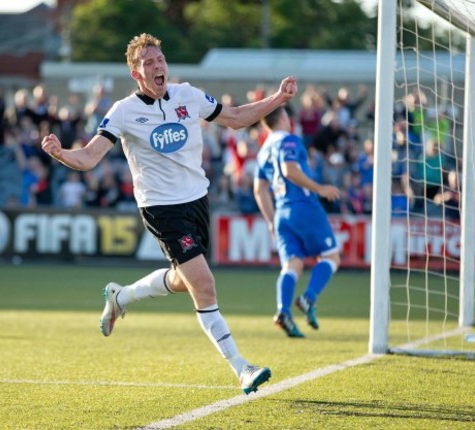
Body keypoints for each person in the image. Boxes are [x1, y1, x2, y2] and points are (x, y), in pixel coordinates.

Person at [41, 33, 298, 395]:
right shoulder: (124, 111)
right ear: (136, 74)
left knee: (184, 280)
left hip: (198, 200)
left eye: (160, 59)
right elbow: (88, 157)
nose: (158, 66)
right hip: (161, 207)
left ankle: (121, 297)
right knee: (204, 286)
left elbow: (238, 118)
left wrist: (279, 98)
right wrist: (60, 153)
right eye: (149, 63)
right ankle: (241, 368)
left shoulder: (188, 95)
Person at [253, 106, 341, 338]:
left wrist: (271, 221)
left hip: (281, 214)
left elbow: (259, 190)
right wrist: (320, 188)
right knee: (331, 256)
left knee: (293, 265)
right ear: (283, 118)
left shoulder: (263, 151)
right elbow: (289, 169)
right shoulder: (289, 141)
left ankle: (284, 311)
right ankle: (308, 298)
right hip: (303, 206)